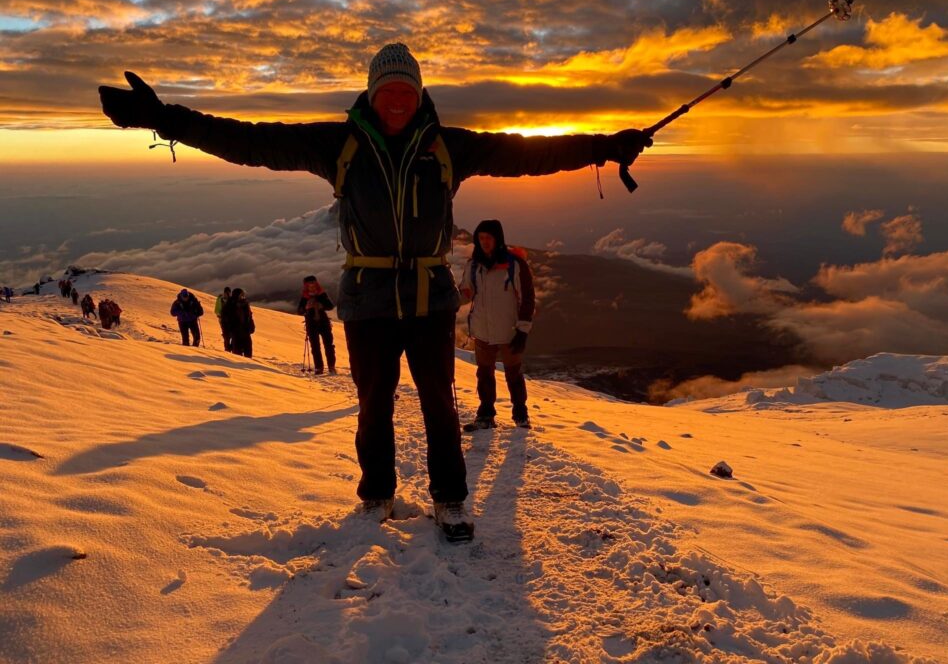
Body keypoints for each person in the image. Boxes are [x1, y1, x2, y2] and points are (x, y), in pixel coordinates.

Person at [98, 43, 650, 541]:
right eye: (386, 90)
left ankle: (450, 499)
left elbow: (530, 154)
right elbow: (249, 141)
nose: (396, 101)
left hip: (430, 298)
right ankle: (377, 494)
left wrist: (606, 146)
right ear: (371, 92)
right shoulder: (338, 144)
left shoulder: (447, 146)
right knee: (372, 402)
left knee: (438, 401)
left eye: (405, 91)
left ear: (418, 94)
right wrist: (164, 118)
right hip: (367, 299)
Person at [460, 220, 535, 431]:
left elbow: (527, 298)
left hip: (510, 331)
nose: (485, 242)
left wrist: (523, 329)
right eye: (481, 238)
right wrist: (448, 302)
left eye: (489, 238)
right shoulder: (473, 266)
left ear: (497, 239)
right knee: (484, 373)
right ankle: (486, 413)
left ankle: (520, 413)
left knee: (513, 373)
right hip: (483, 330)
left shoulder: (515, 265)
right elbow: (467, 292)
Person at [298, 275, 337, 375]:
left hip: (314, 323)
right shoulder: (320, 294)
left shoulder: (308, 296)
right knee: (322, 345)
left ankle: (323, 367)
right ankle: (325, 367)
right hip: (320, 322)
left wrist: (307, 308)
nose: (311, 285)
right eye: (309, 283)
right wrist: (307, 308)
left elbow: (330, 306)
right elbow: (300, 310)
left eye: (312, 283)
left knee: (323, 345)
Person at [227, 288, 254, 358]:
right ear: (236, 295)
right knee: (237, 355)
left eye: (243, 295)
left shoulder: (245, 304)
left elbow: (249, 317)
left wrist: (252, 326)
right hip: (236, 333)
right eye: (241, 295)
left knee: (248, 353)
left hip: (245, 332)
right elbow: (226, 320)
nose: (243, 297)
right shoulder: (230, 305)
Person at [214, 286, 232, 351]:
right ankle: (228, 349)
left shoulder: (222, 299)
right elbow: (217, 310)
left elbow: (216, 310)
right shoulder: (221, 299)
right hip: (224, 320)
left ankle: (228, 348)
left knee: (228, 335)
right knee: (227, 335)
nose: (227, 294)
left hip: (226, 320)